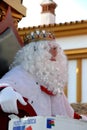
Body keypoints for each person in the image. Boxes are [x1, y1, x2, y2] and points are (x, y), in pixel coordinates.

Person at [0, 30, 82, 130]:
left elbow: (70, 115)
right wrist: (5, 91)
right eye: (48, 48)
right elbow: (4, 84)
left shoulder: (52, 82)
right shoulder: (20, 73)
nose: (54, 53)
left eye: (55, 48)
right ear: (33, 52)